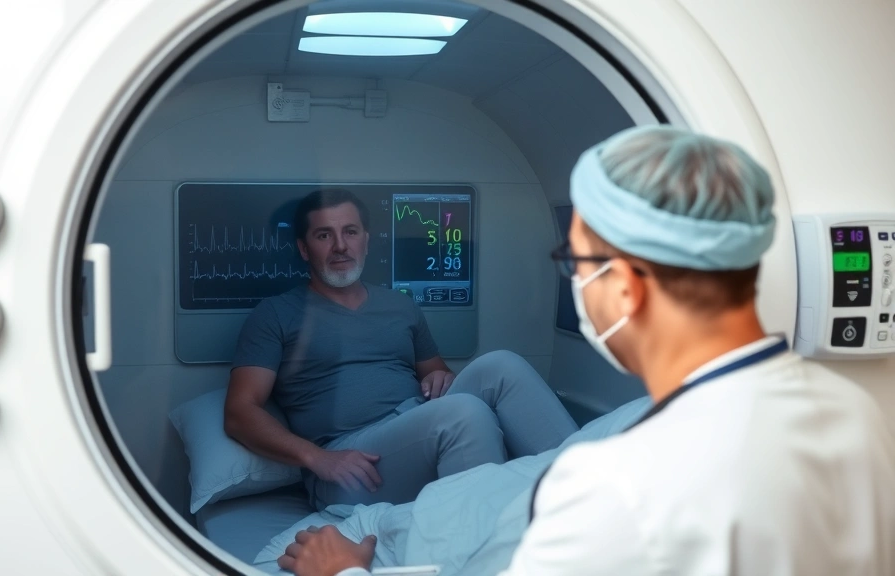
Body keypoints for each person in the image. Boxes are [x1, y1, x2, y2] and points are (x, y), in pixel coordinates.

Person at [276, 126, 895, 576]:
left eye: (575, 261)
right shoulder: (858, 416)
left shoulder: (608, 487)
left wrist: (345, 572)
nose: (573, 281)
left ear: (623, 283)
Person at [224, 188, 580, 511]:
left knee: (503, 365)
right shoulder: (275, 314)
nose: (340, 246)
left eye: (350, 232)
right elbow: (240, 412)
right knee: (463, 413)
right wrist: (316, 458)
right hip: (348, 462)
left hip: (415, 424)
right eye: (323, 235)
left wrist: (442, 377)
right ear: (304, 248)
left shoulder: (400, 306)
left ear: (366, 240)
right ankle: (484, 550)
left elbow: (439, 377)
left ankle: (586, 493)